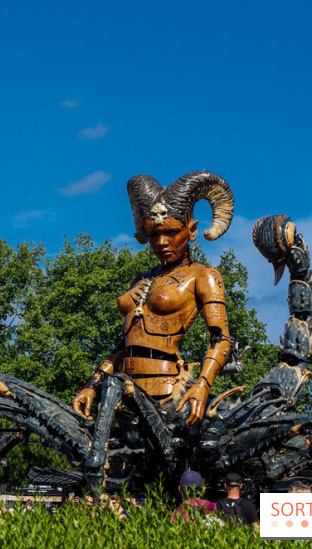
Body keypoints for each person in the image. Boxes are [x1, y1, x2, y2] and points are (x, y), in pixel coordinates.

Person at [72, 172, 234, 426]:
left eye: (171, 232)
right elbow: (125, 344)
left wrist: (203, 384)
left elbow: (220, 338)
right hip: (124, 396)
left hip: (170, 394)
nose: (160, 242)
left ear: (191, 230)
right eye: (152, 234)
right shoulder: (140, 280)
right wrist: (93, 383)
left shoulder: (204, 276)